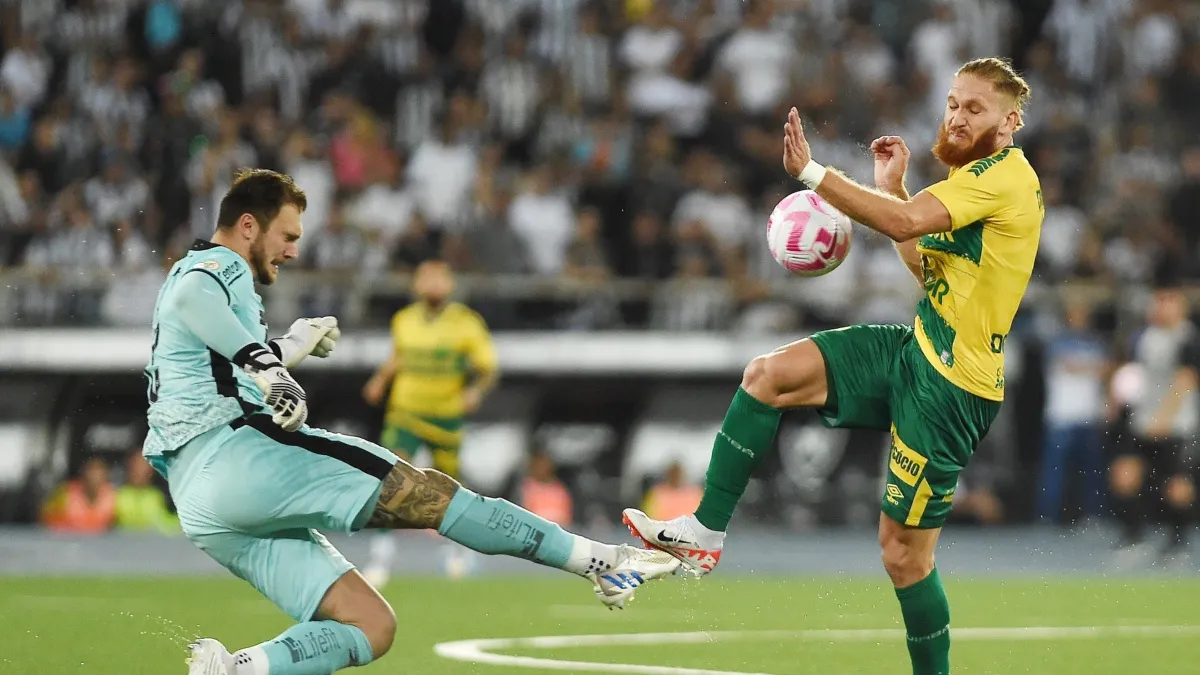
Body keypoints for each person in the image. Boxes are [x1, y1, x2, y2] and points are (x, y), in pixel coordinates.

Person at [143, 169, 679, 675]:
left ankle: (238, 669)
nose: (293, 250)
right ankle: (601, 561)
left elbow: (211, 361)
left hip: (199, 500)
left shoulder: (188, 275)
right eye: (287, 234)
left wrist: (289, 345)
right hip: (238, 455)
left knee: (370, 625)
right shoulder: (216, 267)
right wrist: (270, 367)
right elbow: (201, 303)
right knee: (437, 498)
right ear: (248, 225)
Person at [624, 57, 1043, 675]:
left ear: (1010, 121)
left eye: (973, 109)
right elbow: (928, 266)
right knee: (767, 376)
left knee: (903, 557)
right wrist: (894, 188)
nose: (955, 117)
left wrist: (813, 174)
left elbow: (900, 224)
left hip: (954, 388)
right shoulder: (976, 177)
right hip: (915, 349)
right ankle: (704, 534)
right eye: (953, 103)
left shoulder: (1004, 180)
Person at [360, 259, 497, 587]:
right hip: (406, 412)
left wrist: (475, 391)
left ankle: (457, 551)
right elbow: (399, 356)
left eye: (439, 278)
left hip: (445, 416)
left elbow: (488, 367)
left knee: (447, 486)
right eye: (426, 278)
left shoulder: (466, 322)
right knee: (394, 476)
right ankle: (381, 553)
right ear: (416, 285)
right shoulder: (404, 320)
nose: (433, 284)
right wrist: (380, 380)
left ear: (450, 284)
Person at [1108, 271, 1199, 569]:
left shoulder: (1188, 337)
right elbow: (1131, 373)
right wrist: (1116, 398)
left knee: (1177, 486)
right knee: (1125, 474)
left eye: (1168, 301)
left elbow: (1186, 380)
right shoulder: (1144, 336)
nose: (1161, 307)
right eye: (1158, 301)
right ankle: (1134, 538)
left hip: (1178, 425)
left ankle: (1178, 542)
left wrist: (1164, 417)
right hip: (1142, 420)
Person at [1036, 300, 1109, 524]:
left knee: (1092, 471)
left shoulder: (1096, 342)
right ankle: (1047, 515)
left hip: (1088, 415)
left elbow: (1109, 369)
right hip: (1062, 417)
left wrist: (1092, 368)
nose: (1078, 320)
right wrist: (1094, 367)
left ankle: (1093, 515)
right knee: (1054, 471)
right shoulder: (1057, 342)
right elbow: (1069, 365)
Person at [41, 456, 115, 534]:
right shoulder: (65, 493)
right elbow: (44, 518)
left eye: (98, 474)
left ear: (105, 477)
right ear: (83, 475)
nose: (94, 478)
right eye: (91, 472)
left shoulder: (112, 496)